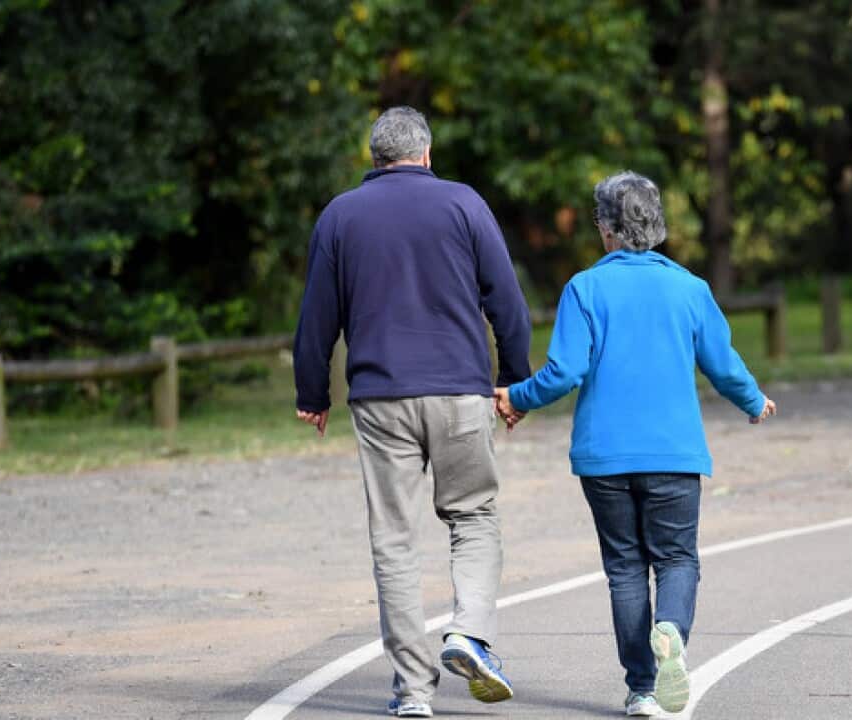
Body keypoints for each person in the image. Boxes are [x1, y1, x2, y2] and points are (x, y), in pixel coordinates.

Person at [494, 171, 776, 717]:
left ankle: (642, 688)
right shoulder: (690, 289)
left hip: (604, 458)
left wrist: (518, 398)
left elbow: (565, 370)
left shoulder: (584, 288)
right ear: (659, 225)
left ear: (605, 230)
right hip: (673, 453)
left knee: (624, 568)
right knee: (676, 559)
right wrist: (753, 400)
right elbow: (722, 365)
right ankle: (671, 629)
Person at [294, 106, 531, 719]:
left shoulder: (340, 215)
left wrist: (311, 393)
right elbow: (506, 299)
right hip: (459, 392)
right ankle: (468, 633)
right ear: (427, 154)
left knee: (394, 542)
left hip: (379, 398)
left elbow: (318, 316)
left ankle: (413, 694)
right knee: (473, 516)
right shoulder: (464, 204)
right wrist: (514, 381)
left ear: (374, 158)